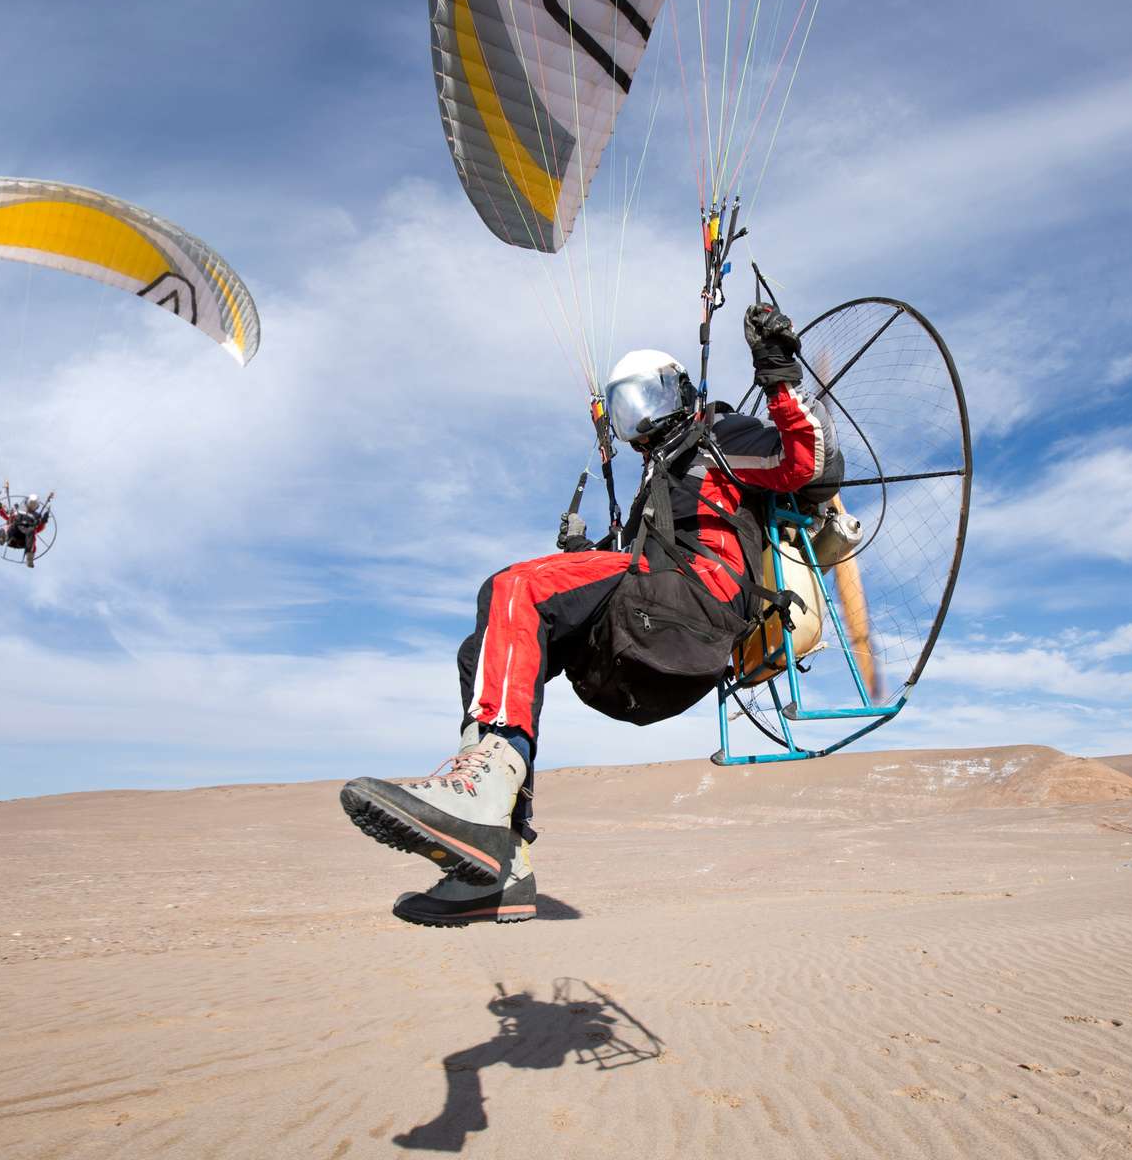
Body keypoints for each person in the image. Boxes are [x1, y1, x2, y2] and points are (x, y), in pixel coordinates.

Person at [340, 305, 832, 927]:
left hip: (694, 608)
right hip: (652, 625)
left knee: (517, 585)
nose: (639, 416)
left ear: (679, 391)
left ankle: (483, 794)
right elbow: (638, 562)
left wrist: (779, 378)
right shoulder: (659, 477)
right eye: (627, 405)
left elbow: (809, 466)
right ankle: (499, 860)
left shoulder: (720, 439)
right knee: (481, 648)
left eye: (647, 397)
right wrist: (589, 556)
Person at [0, 488, 53, 568]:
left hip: (25, 540)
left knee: (31, 530)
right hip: (14, 534)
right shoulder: (18, 513)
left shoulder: (36, 518)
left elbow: (39, 529)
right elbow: (7, 516)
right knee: (13, 524)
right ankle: (4, 537)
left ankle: (29, 556)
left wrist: (43, 521)